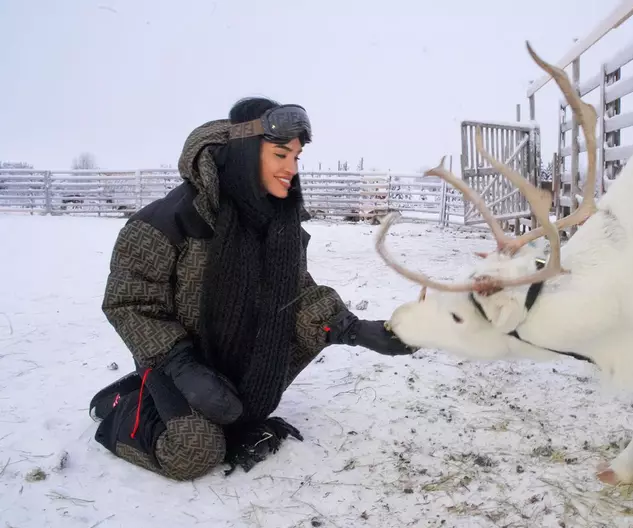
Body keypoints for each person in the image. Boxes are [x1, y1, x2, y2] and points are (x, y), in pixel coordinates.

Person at [88, 97, 416, 481]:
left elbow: (295, 292)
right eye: (280, 155)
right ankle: (120, 406)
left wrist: (357, 330)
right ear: (245, 152)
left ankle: (219, 407)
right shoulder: (164, 223)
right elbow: (130, 303)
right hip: (173, 362)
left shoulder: (275, 222)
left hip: (234, 354)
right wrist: (181, 365)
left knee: (249, 398)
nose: (290, 169)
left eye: (296, 158)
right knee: (193, 452)